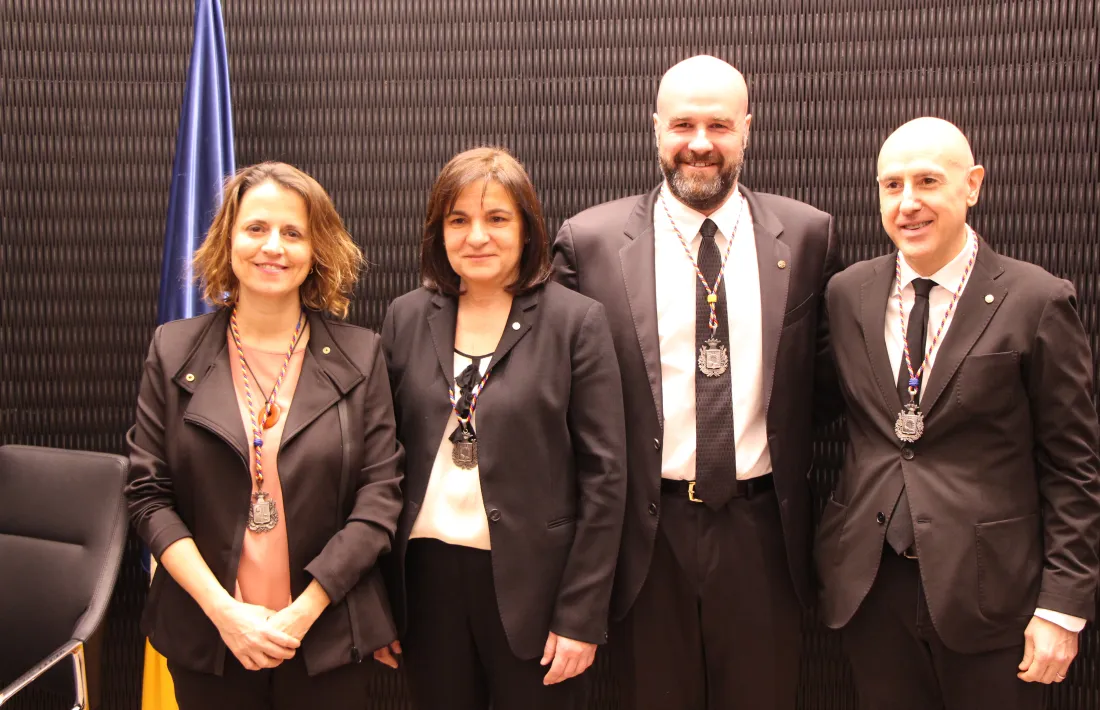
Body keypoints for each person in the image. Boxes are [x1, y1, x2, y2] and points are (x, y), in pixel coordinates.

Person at [552, 55, 841, 709]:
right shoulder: (589, 242)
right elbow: (564, 403)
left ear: (747, 128)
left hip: (762, 531)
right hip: (644, 539)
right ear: (655, 129)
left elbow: (822, 385)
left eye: (719, 125)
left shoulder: (806, 234)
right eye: (683, 124)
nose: (701, 144)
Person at [815, 117, 1100, 709]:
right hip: (870, 588)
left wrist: (1064, 605)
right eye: (891, 186)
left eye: (927, 181)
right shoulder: (847, 294)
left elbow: (1073, 466)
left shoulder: (1037, 300)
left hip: (991, 595)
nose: (908, 203)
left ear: (972, 185)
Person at [126, 162, 403, 710]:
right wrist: (224, 612)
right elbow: (148, 495)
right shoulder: (172, 349)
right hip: (210, 635)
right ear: (227, 240)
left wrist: (302, 614)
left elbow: (380, 499)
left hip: (325, 633)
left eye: (293, 232)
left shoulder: (361, 354)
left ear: (316, 249)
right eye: (255, 228)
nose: (272, 246)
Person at [375, 146, 626, 710]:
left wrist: (581, 615)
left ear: (528, 229)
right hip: (425, 583)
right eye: (458, 220)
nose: (476, 237)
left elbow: (606, 481)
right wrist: (378, 600)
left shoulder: (574, 321)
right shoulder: (406, 316)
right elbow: (379, 464)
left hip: (535, 586)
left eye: (497, 219)